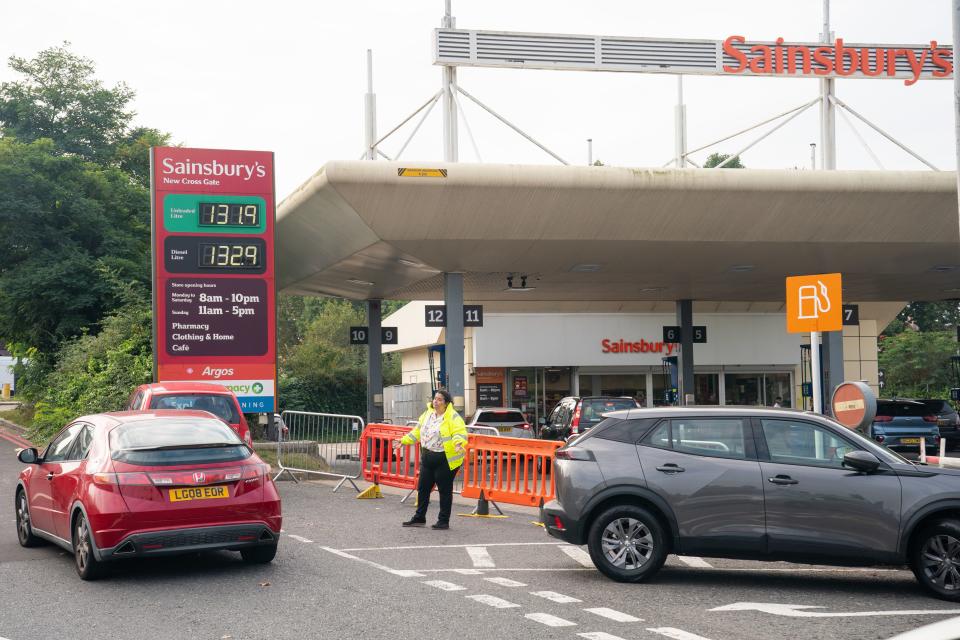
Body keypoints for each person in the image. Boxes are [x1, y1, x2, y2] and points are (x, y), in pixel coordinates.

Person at [394, 389, 468, 530]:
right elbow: (416, 432)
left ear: (446, 403)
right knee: (423, 488)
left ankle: (443, 521)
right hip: (428, 457)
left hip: (445, 459)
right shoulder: (427, 414)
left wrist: (458, 443)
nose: (436, 401)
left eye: (440, 399)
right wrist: (403, 441)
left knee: (444, 491)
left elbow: (460, 432)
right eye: (435, 398)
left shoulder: (453, 417)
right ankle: (419, 518)